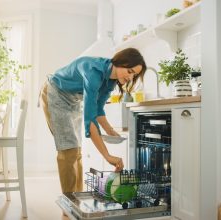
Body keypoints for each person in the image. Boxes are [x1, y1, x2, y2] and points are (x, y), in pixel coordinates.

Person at [40, 48, 146, 193]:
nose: (130, 78)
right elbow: (90, 120)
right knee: (68, 149)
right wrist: (107, 156)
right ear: (121, 62)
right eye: (130, 72)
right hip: (55, 93)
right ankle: (69, 204)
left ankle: (76, 198)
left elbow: (98, 110)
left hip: (72, 100)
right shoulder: (93, 72)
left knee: (76, 150)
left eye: (134, 75)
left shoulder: (111, 81)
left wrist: (110, 130)